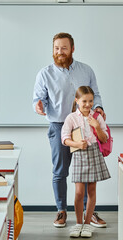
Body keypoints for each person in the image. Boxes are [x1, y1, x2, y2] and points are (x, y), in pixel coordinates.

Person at [33, 32, 107, 228]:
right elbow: (38, 99)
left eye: (64, 48)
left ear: (72, 49)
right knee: (60, 171)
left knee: (87, 172)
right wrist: (38, 106)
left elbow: (96, 95)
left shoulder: (86, 70)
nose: (60, 52)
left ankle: (88, 213)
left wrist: (98, 108)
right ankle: (61, 211)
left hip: (86, 125)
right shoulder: (45, 74)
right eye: (56, 48)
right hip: (59, 126)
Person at [61, 86, 111, 238]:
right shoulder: (71, 118)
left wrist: (97, 126)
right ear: (77, 101)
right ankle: (78, 223)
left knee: (92, 191)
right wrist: (77, 144)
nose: (88, 104)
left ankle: (87, 224)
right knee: (78, 192)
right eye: (84, 101)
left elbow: (104, 139)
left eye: (90, 101)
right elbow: (64, 138)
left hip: (94, 152)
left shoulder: (97, 117)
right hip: (79, 154)